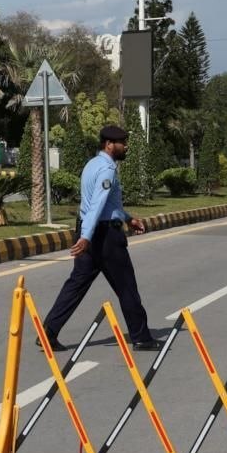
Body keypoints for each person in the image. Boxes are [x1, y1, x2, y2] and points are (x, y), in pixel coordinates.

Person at [38, 124, 162, 352]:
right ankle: (142, 338)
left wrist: (127, 217)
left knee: (76, 284)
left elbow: (106, 204)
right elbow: (96, 205)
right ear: (109, 144)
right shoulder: (107, 170)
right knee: (126, 286)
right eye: (122, 143)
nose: (126, 147)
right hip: (103, 236)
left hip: (92, 229)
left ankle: (49, 331)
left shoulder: (92, 164)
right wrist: (86, 237)